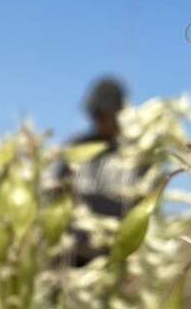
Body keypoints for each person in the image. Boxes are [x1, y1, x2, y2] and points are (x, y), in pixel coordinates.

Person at [59, 76, 138, 265]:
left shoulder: (137, 153)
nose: (99, 120)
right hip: (71, 255)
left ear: (120, 113)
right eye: (95, 114)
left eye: (104, 113)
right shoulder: (77, 146)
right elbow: (59, 190)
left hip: (114, 257)